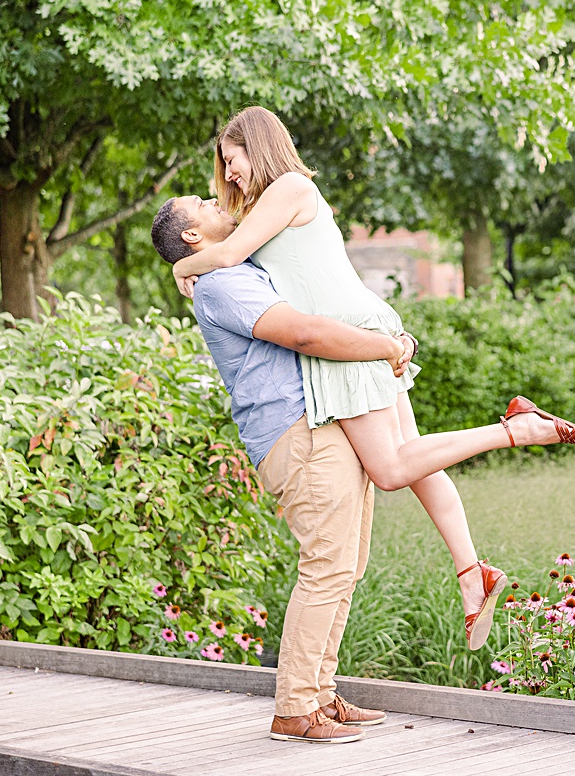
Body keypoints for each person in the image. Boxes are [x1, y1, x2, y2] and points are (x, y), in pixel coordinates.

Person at [170, 106, 575, 651]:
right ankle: (473, 575)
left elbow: (222, 253)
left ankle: (514, 429)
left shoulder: (290, 187)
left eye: (233, 160)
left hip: (347, 339)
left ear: (260, 146)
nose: (228, 175)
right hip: (361, 324)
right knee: (415, 458)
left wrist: (182, 267)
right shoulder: (265, 205)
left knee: (390, 468)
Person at [151, 194, 414, 743]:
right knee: (327, 564)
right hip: (298, 430)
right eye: (199, 203)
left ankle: (319, 693)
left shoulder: (235, 267)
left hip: (319, 419)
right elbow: (303, 334)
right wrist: (384, 347)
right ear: (193, 235)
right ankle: (294, 709)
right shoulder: (226, 284)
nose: (213, 197)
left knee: (346, 562)